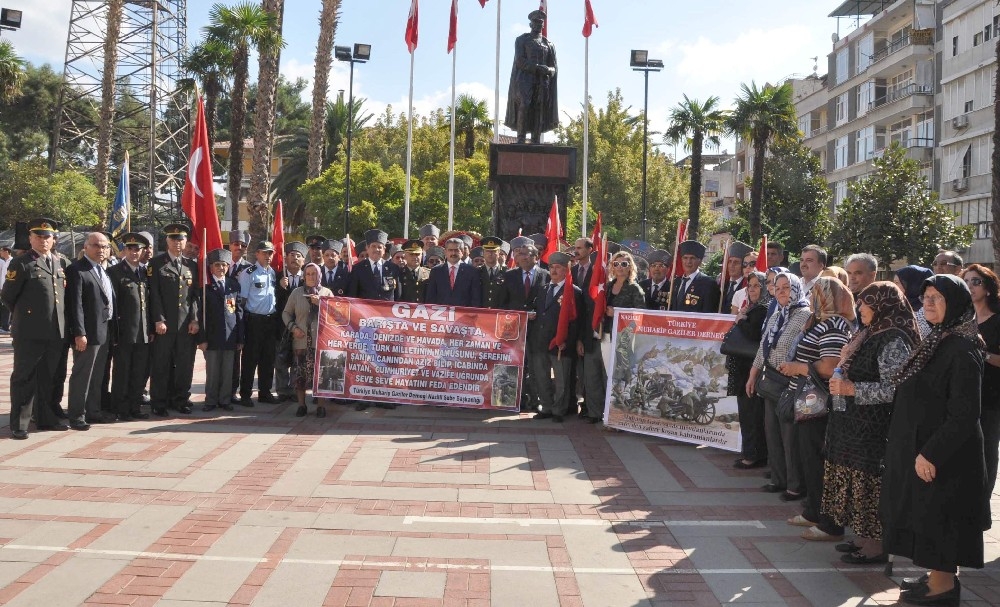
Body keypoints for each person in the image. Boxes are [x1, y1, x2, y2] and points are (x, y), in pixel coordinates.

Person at [881, 274, 987, 605]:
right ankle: (935, 578)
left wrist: (931, 453)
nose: (928, 302)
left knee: (942, 520)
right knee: (927, 518)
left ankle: (944, 587)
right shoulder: (941, 337)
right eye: (926, 296)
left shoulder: (962, 347)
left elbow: (965, 413)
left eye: (936, 298)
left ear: (954, 304)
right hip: (924, 447)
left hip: (945, 455)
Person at [826, 282, 918, 564]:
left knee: (870, 485)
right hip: (852, 424)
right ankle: (862, 537)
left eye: (865, 303)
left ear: (882, 305)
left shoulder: (893, 339)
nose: (860, 308)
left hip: (875, 428)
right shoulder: (868, 332)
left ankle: (876, 545)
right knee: (854, 481)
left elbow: (895, 389)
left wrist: (853, 390)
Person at [779, 277, 854, 537]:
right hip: (807, 401)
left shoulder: (834, 324)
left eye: (819, 293)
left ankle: (828, 521)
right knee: (807, 458)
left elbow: (830, 365)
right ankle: (813, 510)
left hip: (821, 404)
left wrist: (799, 368)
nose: (813, 297)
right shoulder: (819, 321)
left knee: (818, 460)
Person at [1, 218, 70, 437]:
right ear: (30, 238)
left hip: (55, 330)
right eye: (38, 236)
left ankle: (45, 418)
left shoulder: (60, 262)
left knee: (49, 377)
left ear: (54, 240)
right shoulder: (21, 263)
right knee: (24, 377)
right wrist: (26, 316)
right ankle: (19, 424)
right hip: (30, 332)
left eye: (47, 236)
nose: (43, 240)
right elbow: (8, 296)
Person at [747, 272, 811, 500]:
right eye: (778, 287)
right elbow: (764, 348)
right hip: (771, 381)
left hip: (792, 383)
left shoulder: (806, 315)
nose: (782, 291)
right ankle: (778, 479)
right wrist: (753, 375)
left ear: (796, 289)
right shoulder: (776, 316)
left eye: (787, 287)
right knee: (772, 432)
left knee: (789, 435)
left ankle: (795, 485)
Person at [148, 223, 200, 417]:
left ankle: (180, 399)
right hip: (165, 325)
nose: (178, 243)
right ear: (167, 241)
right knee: (161, 365)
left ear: (186, 242)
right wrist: (158, 320)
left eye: (181, 239)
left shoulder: (190, 266)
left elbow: (194, 296)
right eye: (173, 239)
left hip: (186, 326)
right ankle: (159, 401)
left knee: (185, 365)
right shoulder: (156, 264)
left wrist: (195, 320)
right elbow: (154, 294)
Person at [66, 232, 118, 426]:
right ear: (85, 247)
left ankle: (93, 411)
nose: (101, 250)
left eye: (104, 246)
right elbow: (75, 304)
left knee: (98, 376)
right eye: (96, 245)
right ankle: (77, 416)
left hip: (105, 331)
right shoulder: (77, 270)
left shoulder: (104, 270)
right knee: (83, 376)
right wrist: (79, 333)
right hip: (88, 333)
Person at [962, 264, 1000, 499]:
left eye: (976, 281)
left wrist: (981, 354)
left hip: (991, 395)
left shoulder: (997, 320)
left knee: (987, 450)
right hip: (965, 394)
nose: (970, 286)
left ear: (987, 288)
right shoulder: (964, 318)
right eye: (966, 281)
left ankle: (983, 501)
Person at [530, 251, 581, 422]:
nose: (553, 271)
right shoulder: (543, 289)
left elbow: (576, 320)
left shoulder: (573, 291)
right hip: (541, 340)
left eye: (558, 267)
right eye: (551, 267)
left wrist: (567, 340)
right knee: (542, 376)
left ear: (566, 270)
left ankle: (559, 410)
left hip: (560, 342)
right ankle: (546, 407)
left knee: (562, 379)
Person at [728, 271, 771, 469]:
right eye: (749, 286)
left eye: (756, 285)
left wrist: (741, 320)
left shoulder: (762, 309)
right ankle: (753, 452)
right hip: (745, 367)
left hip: (750, 368)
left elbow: (754, 334)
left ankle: (752, 455)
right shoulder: (753, 308)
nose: (752, 289)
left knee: (751, 412)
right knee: (747, 412)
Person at [108, 232, 152, 421]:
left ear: (143, 251)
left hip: (143, 332)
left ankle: (135, 406)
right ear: (124, 250)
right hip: (124, 332)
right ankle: (120, 408)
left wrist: (150, 328)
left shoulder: (145, 272)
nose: (134, 252)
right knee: (122, 372)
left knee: (139, 372)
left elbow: (149, 303)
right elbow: (112, 305)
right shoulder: (115, 272)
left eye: (138, 249)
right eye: (130, 249)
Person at [283, 263, 332, 418]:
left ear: (320, 275)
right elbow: (286, 313)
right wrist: (293, 328)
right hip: (301, 341)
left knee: (322, 375)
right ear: (304, 276)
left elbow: (337, 315)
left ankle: (321, 406)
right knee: (300, 375)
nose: (311, 276)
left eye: (314, 273)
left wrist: (322, 304)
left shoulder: (327, 292)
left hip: (321, 342)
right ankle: (301, 405)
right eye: (308, 274)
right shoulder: (297, 293)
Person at [198, 248, 243, 413]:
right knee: (213, 371)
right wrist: (201, 339)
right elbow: (200, 314)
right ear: (211, 268)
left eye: (224, 265)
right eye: (217, 265)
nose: (221, 268)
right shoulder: (205, 287)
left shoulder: (233, 285)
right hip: (212, 336)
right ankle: (210, 400)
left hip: (230, 336)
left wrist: (240, 338)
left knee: (227, 371)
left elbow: (238, 312)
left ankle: (224, 400)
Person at [504, 9, 558, 144]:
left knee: (539, 108)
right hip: (525, 80)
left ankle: (535, 139)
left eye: (540, 22)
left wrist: (548, 70)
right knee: (524, 106)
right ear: (530, 24)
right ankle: (521, 138)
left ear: (543, 25)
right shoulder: (522, 40)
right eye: (535, 22)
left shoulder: (549, 44)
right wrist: (536, 67)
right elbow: (520, 61)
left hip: (542, 81)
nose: (538, 24)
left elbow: (554, 67)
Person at [237, 240, 280, 406]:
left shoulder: (272, 273)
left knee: (268, 358)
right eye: (264, 252)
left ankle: (265, 391)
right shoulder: (249, 273)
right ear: (257, 254)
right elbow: (243, 300)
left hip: (270, 320)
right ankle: (246, 394)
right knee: (250, 359)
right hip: (254, 320)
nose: (268, 256)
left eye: (270, 253)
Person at [274, 241, 307, 403]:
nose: (295, 258)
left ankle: (296, 389)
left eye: (298, 256)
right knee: (280, 359)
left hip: (301, 326)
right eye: (291, 255)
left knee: (297, 359)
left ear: (303, 260)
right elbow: (272, 302)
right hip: (281, 326)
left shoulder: (309, 278)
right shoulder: (277, 276)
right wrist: (279, 287)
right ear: (286, 258)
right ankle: (282, 390)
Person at [425, 237, 482, 307]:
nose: (453, 253)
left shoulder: (472, 271)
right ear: (445, 252)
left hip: (464, 315)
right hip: (441, 315)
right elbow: (431, 297)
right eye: (450, 250)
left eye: (456, 250)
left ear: (462, 252)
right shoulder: (436, 271)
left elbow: (475, 298)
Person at [347, 229, 402, 301]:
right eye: (373, 246)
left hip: (386, 311)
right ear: (367, 248)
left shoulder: (393, 268)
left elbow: (398, 295)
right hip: (365, 311)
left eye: (380, 247)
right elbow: (352, 295)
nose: (377, 249)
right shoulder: (358, 269)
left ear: (384, 249)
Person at [670, 240, 721, 313]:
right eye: (685, 258)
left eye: (692, 258)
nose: (688, 262)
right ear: (681, 260)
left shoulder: (708, 284)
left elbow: (709, 314)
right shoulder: (676, 282)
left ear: (699, 261)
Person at [896, 265, 935, 338]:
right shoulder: (899, 305)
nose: (894, 286)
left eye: (897, 282)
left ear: (912, 284)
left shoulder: (927, 309)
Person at [720, 241, 754, 314]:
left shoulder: (746, 286)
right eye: (730, 261)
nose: (732, 265)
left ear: (743, 265)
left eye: (736, 262)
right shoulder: (722, 284)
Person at [479, 236, 508, 309]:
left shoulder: (507, 272)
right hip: (481, 315)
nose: (490, 254)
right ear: (483, 253)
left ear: (499, 252)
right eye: (487, 251)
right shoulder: (476, 272)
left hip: (499, 314)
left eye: (493, 251)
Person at [0, 245, 11, 333]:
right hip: (3, 287)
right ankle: (5, 325)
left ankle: (6, 326)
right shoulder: (6, 261)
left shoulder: (11, 261)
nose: (0, 252)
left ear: (6, 252)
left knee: (6, 307)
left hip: (7, 287)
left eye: (2, 251)